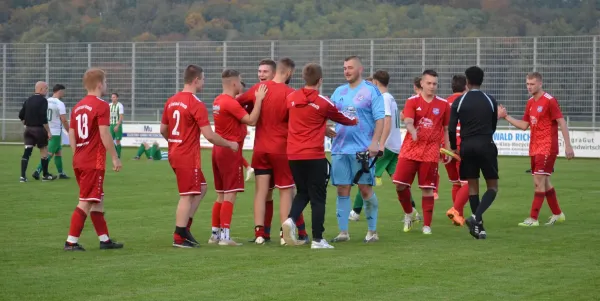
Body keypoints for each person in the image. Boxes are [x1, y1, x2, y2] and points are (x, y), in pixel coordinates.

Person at [160, 64, 238, 248]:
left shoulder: (171, 100)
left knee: (201, 187)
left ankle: (185, 228)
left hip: (175, 152)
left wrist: (174, 142)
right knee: (187, 195)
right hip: (187, 155)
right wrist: (229, 143)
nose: (204, 82)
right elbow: (209, 135)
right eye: (203, 79)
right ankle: (180, 235)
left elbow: (163, 129)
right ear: (196, 80)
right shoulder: (196, 104)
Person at [282, 63, 358, 249]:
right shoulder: (324, 102)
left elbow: (287, 119)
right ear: (320, 80)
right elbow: (345, 119)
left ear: (303, 78)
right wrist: (356, 118)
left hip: (293, 155)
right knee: (318, 198)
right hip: (314, 155)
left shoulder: (291, 98)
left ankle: (291, 219)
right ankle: (318, 239)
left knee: (302, 192)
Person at [238, 58, 308, 245]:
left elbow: (236, 103)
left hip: (260, 148)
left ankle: (260, 234)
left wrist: (251, 111)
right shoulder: (291, 93)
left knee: (261, 192)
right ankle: (284, 235)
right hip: (281, 149)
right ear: (289, 73)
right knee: (286, 191)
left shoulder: (258, 89)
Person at [499, 72, 574, 227]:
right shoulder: (530, 103)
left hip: (547, 147)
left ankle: (533, 219)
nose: (529, 87)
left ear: (540, 84)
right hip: (534, 147)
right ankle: (558, 214)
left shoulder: (549, 101)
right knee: (545, 182)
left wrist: (568, 145)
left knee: (538, 182)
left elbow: (562, 123)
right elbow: (524, 126)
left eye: (532, 84)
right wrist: (506, 116)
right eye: (527, 84)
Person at [349, 71, 421, 223]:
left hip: (386, 147)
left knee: (365, 176)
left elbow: (386, 122)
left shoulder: (383, 98)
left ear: (375, 82)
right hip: (394, 146)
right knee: (400, 181)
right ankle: (413, 211)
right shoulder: (390, 98)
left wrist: (380, 144)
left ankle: (355, 212)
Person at [63, 68, 123, 251]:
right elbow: (105, 133)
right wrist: (115, 157)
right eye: (105, 82)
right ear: (99, 84)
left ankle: (104, 240)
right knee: (86, 201)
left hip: (79, 159)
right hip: (92, 161)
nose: (106, 86)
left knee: (97, 199)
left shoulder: (78, 106)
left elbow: (71, 133)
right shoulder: (101, 105)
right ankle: (71, 242)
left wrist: (77, 154)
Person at [208, 69, 267, 246]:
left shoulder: (217, 100)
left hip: (218, 150)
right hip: (230, 150)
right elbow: (251, 120)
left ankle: (215, 234)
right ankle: (225, 237)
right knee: (230, 194)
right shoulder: (229, 102)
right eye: (240, 82)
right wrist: (259, 100)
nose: (242, 84)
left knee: (220, 194)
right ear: (234, 83)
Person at [329, 56, 384, 243]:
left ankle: (372, 231)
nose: (346, 71)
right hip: (340, 149)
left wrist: (375, 142)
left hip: (362, 150)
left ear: (360, 69)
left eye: (350, 68)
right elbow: (327, 115)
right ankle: (343, 232)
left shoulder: (371, 91)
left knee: (365, 189)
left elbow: (380, 119)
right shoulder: (338, 91)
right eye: (344, 68)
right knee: (342, 189)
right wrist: (327, 130)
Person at [394, 69, 450, 235]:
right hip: (410, 149)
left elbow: (445, 129)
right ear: (422, 84)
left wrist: (445, 148)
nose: (432, 87)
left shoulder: (443, 104)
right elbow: (408, 121)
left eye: (435, 84)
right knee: (399, 185)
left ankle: (427, 225)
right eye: (429, 83)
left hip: (431, 151)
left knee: (427, 189)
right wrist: (412, 131)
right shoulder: (412, 101)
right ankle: (410, 213)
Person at [449, 66, 499, 239]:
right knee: (492, 187)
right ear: (482, 80)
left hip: (467, 146)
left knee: (472, 187)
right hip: (485, 144)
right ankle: (476, 218)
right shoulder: (490, 100)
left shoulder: (460, 101)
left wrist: (455, 146)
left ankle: (479, 229)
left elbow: (451, 126)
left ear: (467, 82)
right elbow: (493, 125)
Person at [443, 75, 471, 226]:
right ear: (465, 86)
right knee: (468, 183)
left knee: (456, 183)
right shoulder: (468, 101)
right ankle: (455, 210)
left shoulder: (444, 103)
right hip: (462, 146)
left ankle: (458, 216)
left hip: (446, 148)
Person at [18, 81, 55, 182]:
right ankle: (45, 175)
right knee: (44, 151)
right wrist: (48, 131)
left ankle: (22, 177)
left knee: (27, 152)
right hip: (39, 130)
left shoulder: (28, 100)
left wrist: (26, 124)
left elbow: (21, 115)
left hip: (28, 130)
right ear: (41, 89)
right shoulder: (43, 101)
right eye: (46, 88)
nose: (47, 91)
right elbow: (43, 118)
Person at [32, 84, 70, 180]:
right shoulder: (59, 103)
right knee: (50, 153)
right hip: (55, 132)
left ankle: (61, 173)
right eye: (63, 91)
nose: (64, 93)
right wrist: (69, 131)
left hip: (46, 130)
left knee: (58, 152)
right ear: (60, 91)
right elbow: (63, 119)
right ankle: (37, 170)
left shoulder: (46, 101)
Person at [109, 93, 124, 158]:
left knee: (117, 140)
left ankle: (118, 155)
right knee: (110, 141)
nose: (113, 98)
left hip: (117, 124)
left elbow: (121, 116)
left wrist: (117, 125)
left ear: (117, 98)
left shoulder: (120, 105)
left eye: (114, 97)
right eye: (112, 97)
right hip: (111, 125)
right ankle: (115, 154)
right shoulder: (109, 105)